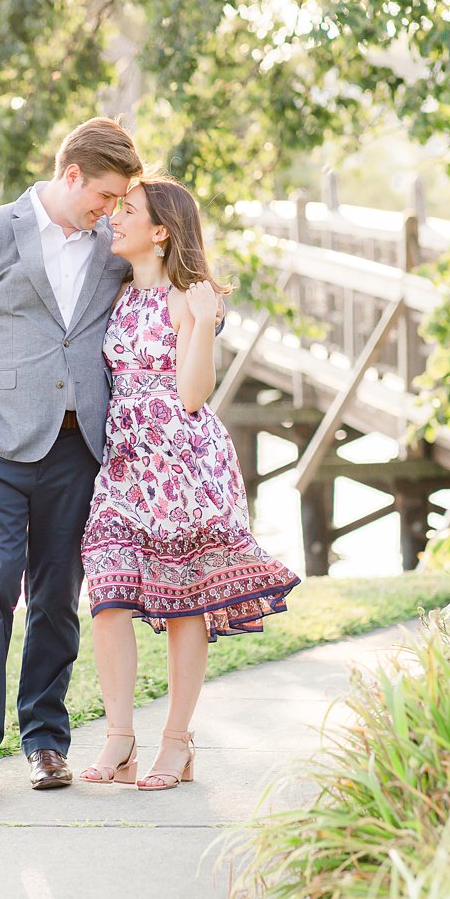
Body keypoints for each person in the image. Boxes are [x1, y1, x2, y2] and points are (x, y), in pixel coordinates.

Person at [0, 117, 144, 790]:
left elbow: (167, 278)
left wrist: (206, 308)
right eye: (103, 195)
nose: (110, 209)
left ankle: (46, 740)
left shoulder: (112, 246)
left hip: (77, 448)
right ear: (70, 175)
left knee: (55, 595)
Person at [77, 176, 300, 790]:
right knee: (108, 588)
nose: (114, 219)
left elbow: (193, 395)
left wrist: (202, 324)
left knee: (184, 602)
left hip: (182, 464)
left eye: (128, 212)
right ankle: (120, 738)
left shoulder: (187, 299)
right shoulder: (117, 292)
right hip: (125, 462)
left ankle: (176, 741)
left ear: (161, 232)